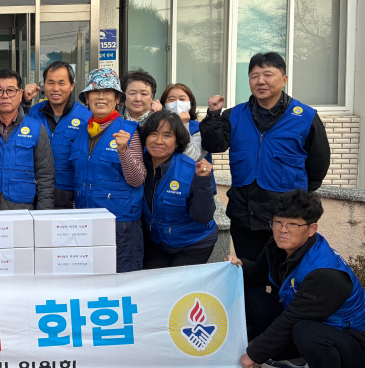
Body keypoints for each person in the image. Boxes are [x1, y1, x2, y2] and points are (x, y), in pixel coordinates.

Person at [228, 190, 365, 368]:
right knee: (253, 298)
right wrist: (238, 265)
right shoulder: (278, 246)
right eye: (278, 222)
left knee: (305, 330)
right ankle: (300, 362)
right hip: (311, 324)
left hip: (352, 344)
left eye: (293, 224)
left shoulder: (325, 275)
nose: (283, 230)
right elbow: (260, 273)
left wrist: (253, 354)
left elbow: (291, 319)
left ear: (311, 229)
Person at [201, 52, 331, 261]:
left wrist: (297, 201)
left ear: (284, 79)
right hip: (244, 217)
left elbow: (318, 166)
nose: (260, 81)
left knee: (286, 273)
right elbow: (213, 145)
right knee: (250, 272)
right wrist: (213, 115)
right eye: (254, 76)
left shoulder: (305, 117)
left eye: (268, 75)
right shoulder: (234, 115)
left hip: (287, 219)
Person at [70, 68, 146, 272]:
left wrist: (124, 151)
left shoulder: (129, 131)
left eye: (108, 92)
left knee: (122, 282)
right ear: (87, 98)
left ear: (118, 98)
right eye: (95, 92)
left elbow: (137, 179)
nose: (101, 96)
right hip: (86, 221)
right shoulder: (82, 132)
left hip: (120, 225)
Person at [140, 110, 217, 268]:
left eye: (167, 135)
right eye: (153, 134)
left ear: (177, 142)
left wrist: (203, 181)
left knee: (178, 282)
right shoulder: (138, 165)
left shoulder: (191, 169)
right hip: (159, 241)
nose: (159, 141)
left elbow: (203, 216)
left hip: (194, 243)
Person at [0, 69, 55, 210]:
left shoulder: (36, 129)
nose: (5, 96)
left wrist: (44, 213)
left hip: (23, 210)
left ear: (20, 94)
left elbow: (45, 176)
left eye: (11, 90)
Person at [28, 60, 91, 209]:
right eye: (50, 83)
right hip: (38, 192)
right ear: (44, 84)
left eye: (61, 83)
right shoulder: (34, 112)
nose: (55, 88)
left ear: (72, 85)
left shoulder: (86, 117)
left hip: (71, 194)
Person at [160, 83, 210, 162]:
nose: (177, 103)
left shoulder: (200, 128)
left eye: (182, 99)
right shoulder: (160, 127)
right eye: (172, 99)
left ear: (190, 103)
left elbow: (192, 157)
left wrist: (183, 125)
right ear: (164, 105)